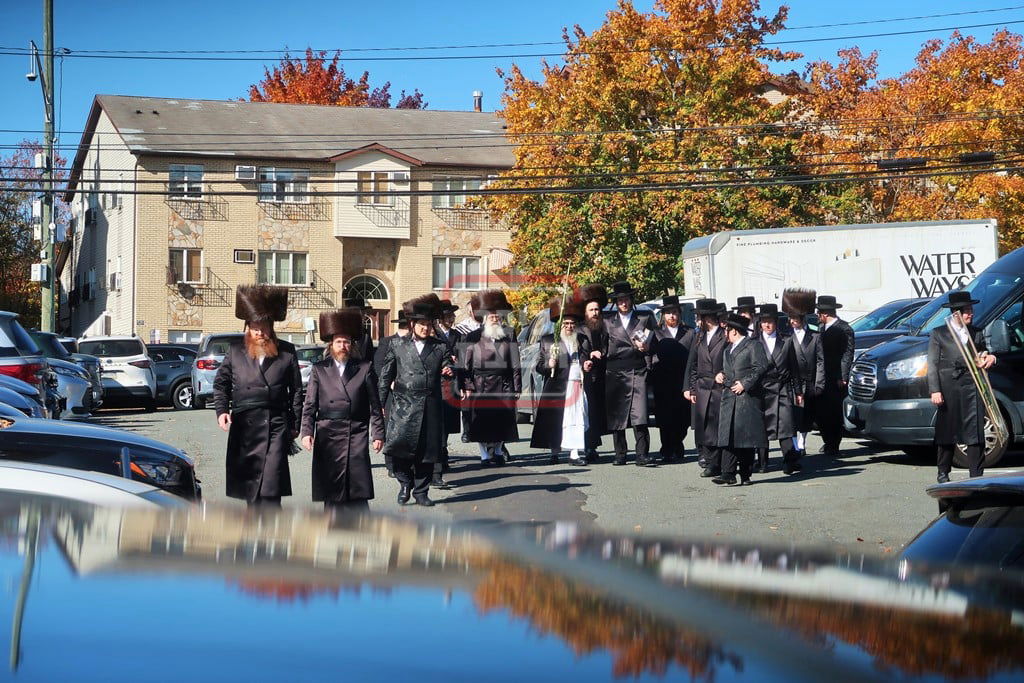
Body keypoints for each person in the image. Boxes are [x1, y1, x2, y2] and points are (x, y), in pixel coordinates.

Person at [214, 285, 303, 507]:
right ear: (248, 329)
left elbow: (297, 391)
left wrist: (296, 423)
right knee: (250, 485)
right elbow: (221, 384)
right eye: (255, 329)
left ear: (271, 329)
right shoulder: (235, 351)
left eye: (264, 328)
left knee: (272, 485)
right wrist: (222, 411)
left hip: (276, 424)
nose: (260, 334)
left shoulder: (287, 352)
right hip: (245, 426)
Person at [300, 308, 384, 510]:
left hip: (356, 431)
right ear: (331, 344)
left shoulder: (364, 367)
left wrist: (378, 434)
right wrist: (306, 431)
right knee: (331, 484)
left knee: (357, 482)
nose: (343, 346)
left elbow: (375, 404)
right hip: (327, 432)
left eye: (347, 342)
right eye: (339, 342)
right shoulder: (319, 369)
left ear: (352, 344)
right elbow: (310, 403)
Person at [378, 300, 455, 506]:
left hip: (430, 405)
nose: (425, 328)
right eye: (421, 324)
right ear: (412, 324)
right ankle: (405, 483)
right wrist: (379, 403)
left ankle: (421, 492)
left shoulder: (439, 347)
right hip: (403, 406)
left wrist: (449, 371)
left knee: (427, 453)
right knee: (398, 449)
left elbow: (449, 364)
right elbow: (386, 376)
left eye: (429, 325)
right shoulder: (397, 345)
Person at [927, 290, 997, 482]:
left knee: (975, 432)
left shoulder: (977, 332)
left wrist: (991, 357)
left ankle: (976, 474)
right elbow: (932, 364)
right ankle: (943, 472)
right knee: (947, 432)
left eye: (971, 309)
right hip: (949, 387)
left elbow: (986, 351)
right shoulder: (939, 333)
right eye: (966, 310)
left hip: (972, 387)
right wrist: (935, 390)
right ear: (955, 313)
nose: (970, 313)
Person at [530, 300, 593, 465]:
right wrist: (549, 364)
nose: (569, 327)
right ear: (560, 325)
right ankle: (554, 452)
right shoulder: (549, 340)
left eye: (572, 324)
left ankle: (574, 454)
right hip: (557, 386)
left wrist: (587, 364)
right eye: (566, 324)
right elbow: (538, 366)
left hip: (577, 384)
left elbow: (585, 358)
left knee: (576, 419)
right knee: (555, 420)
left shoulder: (581, 340)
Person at [463, 289, 521, 466]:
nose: (495, 318)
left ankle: (497, 451)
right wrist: (467, 385)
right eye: (491, 315)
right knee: (481, 423)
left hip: (503, 385)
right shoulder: (472, 336)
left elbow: (515, 363)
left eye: (497, 315)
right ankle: (484, 456)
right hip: (481, 385)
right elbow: (465, 365)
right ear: (484, 317)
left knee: (502, 421)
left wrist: (517, 387)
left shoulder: (509, 334)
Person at [602, 281, 656, 467]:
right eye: (620, 300)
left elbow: (653, 346)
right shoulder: (607, 322)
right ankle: (620, 453)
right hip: (615, 371)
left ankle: (642, 454)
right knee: (618, 416)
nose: (623, 303)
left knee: (639, 414)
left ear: (631, 300)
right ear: (616, 303)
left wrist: (646, 349)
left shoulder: (643, 319)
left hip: (637, 369)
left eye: (626, 299)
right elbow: (601, 347)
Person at [714, 313, 769, 486]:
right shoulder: (726, 350)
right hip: (729, 397)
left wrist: (745, 384)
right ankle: (728, 473)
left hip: (746, 398)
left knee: (745, 438)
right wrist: (721, 375)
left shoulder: (753, 346)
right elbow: (728, 370)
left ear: (735, 331)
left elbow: (761, 367)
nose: (725, 334)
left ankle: (745, 474)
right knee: (727, 437)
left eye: (727, 330)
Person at [754, 303, 803, 475]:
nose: (767, 325)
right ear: (760, 323)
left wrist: (798, 392)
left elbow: (794, 368)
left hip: (782, 388)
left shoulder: (787, 340)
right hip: (762, 390)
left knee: (785, 426)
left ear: (776, 322)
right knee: (761, 427)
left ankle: (790, 461)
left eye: (770, 322)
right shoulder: (754, 342)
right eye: (764, 322)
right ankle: (761, 462)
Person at [684, 299, 727, 477]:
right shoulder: (699, 336)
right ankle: (709, 460)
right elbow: (693, 364)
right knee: (702, 426)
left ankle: (716, 463)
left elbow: (731, 359)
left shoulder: (724, 336)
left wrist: (724, 374)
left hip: (718, 387)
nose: (697, 321)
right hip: (702, 386)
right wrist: (691, 388)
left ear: (707, 318)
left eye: (699, 317)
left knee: (715, 426)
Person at [650, 295, 694, 463]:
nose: (671, 316)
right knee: (664, 416)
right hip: (662, 379)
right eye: (668, 313)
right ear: (663, 315)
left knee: (682, 417)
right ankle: (666, 447)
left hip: (682, 379)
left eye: (674, 312)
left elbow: (694, 356)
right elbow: (650, 354)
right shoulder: (656, 332)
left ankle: (677, 443)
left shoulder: (689, 332)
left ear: (679, 313)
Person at [782, 288, 825, 459]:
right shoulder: (785, 337)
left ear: (802, 318)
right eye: (790, 318)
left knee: (806, 415)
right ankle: (794, 444)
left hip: (809, 380)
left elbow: (820, 361)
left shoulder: (815, 336)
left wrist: (819, 382)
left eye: (795, 318)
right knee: (792, 414)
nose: (792, 321)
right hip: (792, 381)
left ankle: (802, 442)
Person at [816, 295, 855, 457]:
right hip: (821, 376)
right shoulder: (820, 328)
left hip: (835, 375)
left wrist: (842, 375)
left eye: (819, 313)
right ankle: (827, 440)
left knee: (834, 411)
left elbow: (847, 354)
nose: (818, 316)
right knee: (821, 411)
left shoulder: (844, 329)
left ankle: (834, 443)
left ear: (825, 314)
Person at [374, 308, 410, 478]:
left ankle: (405, 463)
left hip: (410, 394)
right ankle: (391, 464)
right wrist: (391, 382)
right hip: (391, 393)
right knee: (391, 429)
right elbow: (379, 366)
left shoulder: (413, 342)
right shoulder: (387, 341)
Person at [575, 284, 608, 462]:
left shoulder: (605, 327)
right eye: (591, 310)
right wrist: (587, 357)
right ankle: (589, 447)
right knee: (588, 412)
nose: (595, 312)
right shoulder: (579, 330)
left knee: (599, 414)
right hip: (587, 376)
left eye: (597, 309)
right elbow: (577, 351)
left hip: (604, 375)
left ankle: (594, 446)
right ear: (585, 312)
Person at [433, 299, 463, 489]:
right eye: (448, 316)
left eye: (452, 316)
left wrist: (455, 363)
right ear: (440, 318)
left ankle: (443, 451)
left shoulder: (457, 335)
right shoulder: (434, 334)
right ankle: (440, 456)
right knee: (437, 422)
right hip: (437, 383)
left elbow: (463, 358)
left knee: (448, 420)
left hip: (451, 383)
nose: (451, 319)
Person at [454, 293, 482, 443]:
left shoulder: (487, 328)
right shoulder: (461, 329)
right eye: (473, 309)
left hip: (482, 371)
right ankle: (467, 430)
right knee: (467, 404)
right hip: (466, 369)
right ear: (469, 311)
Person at [343, 296, 376, 360]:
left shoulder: (365, 333)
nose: (365, 317)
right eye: (363, 314)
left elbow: (369, 356)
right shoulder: (340, 332)